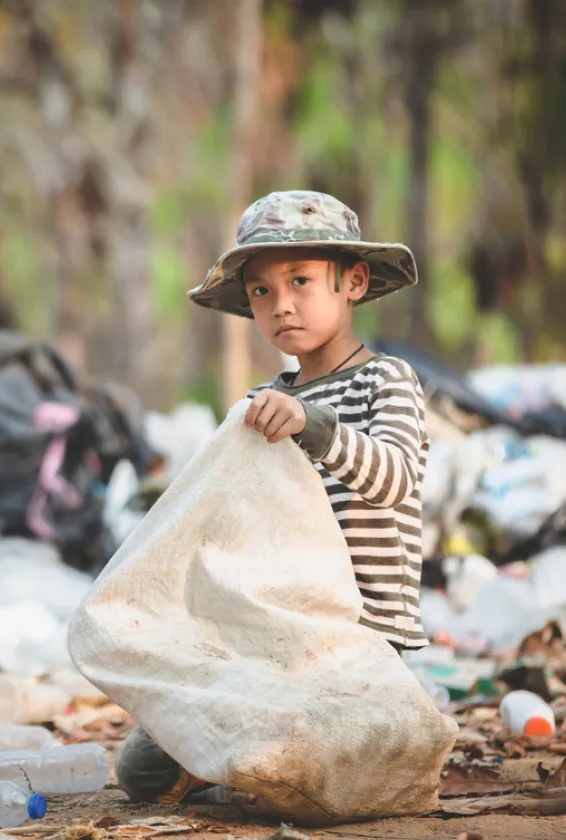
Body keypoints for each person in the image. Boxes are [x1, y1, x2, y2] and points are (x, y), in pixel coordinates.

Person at [114, 190, 430, 804]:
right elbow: (234, 520)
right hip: (274, 637)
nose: (282, 305)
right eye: (261, 290)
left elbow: (394, 479)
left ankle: (262, 777)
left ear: (353, 282)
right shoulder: (260, 401)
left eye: (301, 280)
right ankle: (243, 778)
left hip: (360, 644)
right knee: (142, 770)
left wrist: (311, 424)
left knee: (325, 763)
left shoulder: (385, 380)